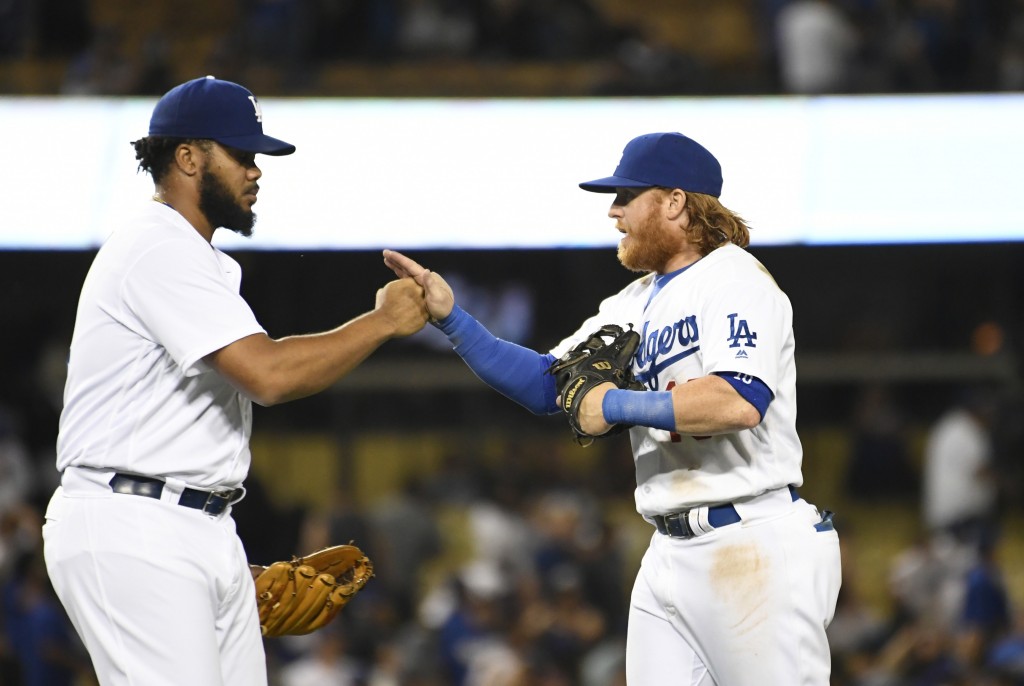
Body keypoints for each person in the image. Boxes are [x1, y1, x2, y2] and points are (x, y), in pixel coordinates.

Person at [384, 131, 842, 684]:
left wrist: (618, 403)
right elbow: (545, 385)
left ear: (675, 201)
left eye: (627, 196)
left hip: (753, 541)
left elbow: (739, 400)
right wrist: (454, 320)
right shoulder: (631, 303)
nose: (613, 210)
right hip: (669, 551)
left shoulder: (734, 279)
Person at [41, 75, 429, 686]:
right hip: (132, 520)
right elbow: (268, 375)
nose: (256, 171)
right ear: (188, 156)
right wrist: (381, 323)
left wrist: (206, 543)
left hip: (192, 521)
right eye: (242, 155)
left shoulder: (197, 259)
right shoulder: (156, 247)